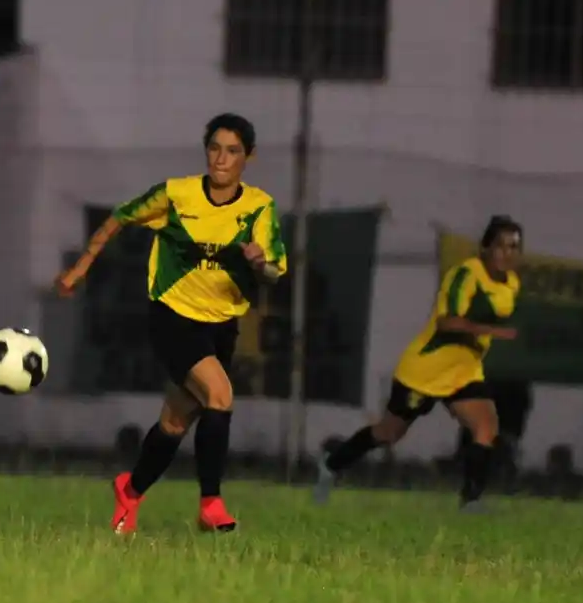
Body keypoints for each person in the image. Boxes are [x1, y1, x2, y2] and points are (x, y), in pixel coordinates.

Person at [55, 113, 286, 534]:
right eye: (214, 148)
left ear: (248, 157)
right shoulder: (176, 195)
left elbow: (275, 272)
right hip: (173, 317)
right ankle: (211, 504)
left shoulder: (259, 207)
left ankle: (130, 488)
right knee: (220, 395)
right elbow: (120, 217)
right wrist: (81, 267)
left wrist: (260, 262)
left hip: (222, 325)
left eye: (232, 151)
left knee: (176, 423)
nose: (221, 159)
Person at [313, 216, 523, 512]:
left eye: (514, 246)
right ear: (486, 248)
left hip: (463, 372)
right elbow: (447, 322)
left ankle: (471, 501)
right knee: (388, 433)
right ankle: (331, 465)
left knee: (486, 426)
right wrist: (492, 331)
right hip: (425, 370)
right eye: (501, 245)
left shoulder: (512, 284)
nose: (508, 253)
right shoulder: (466, 275)